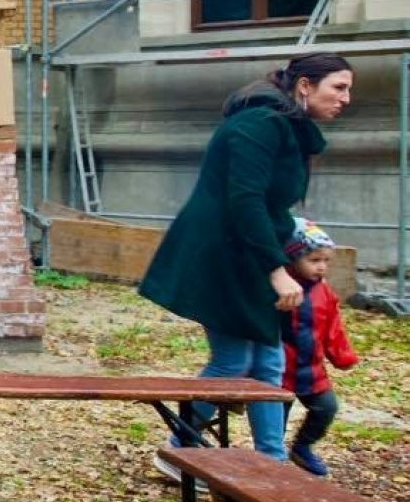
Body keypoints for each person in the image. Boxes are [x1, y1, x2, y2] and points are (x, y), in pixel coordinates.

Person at [140, 53, 354, 477]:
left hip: (247, 253)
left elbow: (267, 204)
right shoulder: (259, 124)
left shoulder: (285, 127)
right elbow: (245, 199)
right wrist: (277, 270)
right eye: (339, 87)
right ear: (305, 86)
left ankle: (271, 462)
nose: (346, 98)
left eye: (348, 89)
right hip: (222, 257)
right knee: (233, 362)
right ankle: (177, 448)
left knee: (267, 362)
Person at [278, 217, 358, 477]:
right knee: (275, 418)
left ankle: (302, 447)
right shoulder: (281, 290)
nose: (322, 267)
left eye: (326, 261)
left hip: (312, 371)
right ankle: (271, 457)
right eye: (314, 261)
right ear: (293, 259)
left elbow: (333, 329)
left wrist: (343, 357)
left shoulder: (324, 294)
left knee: (326, 408)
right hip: (281, 371)